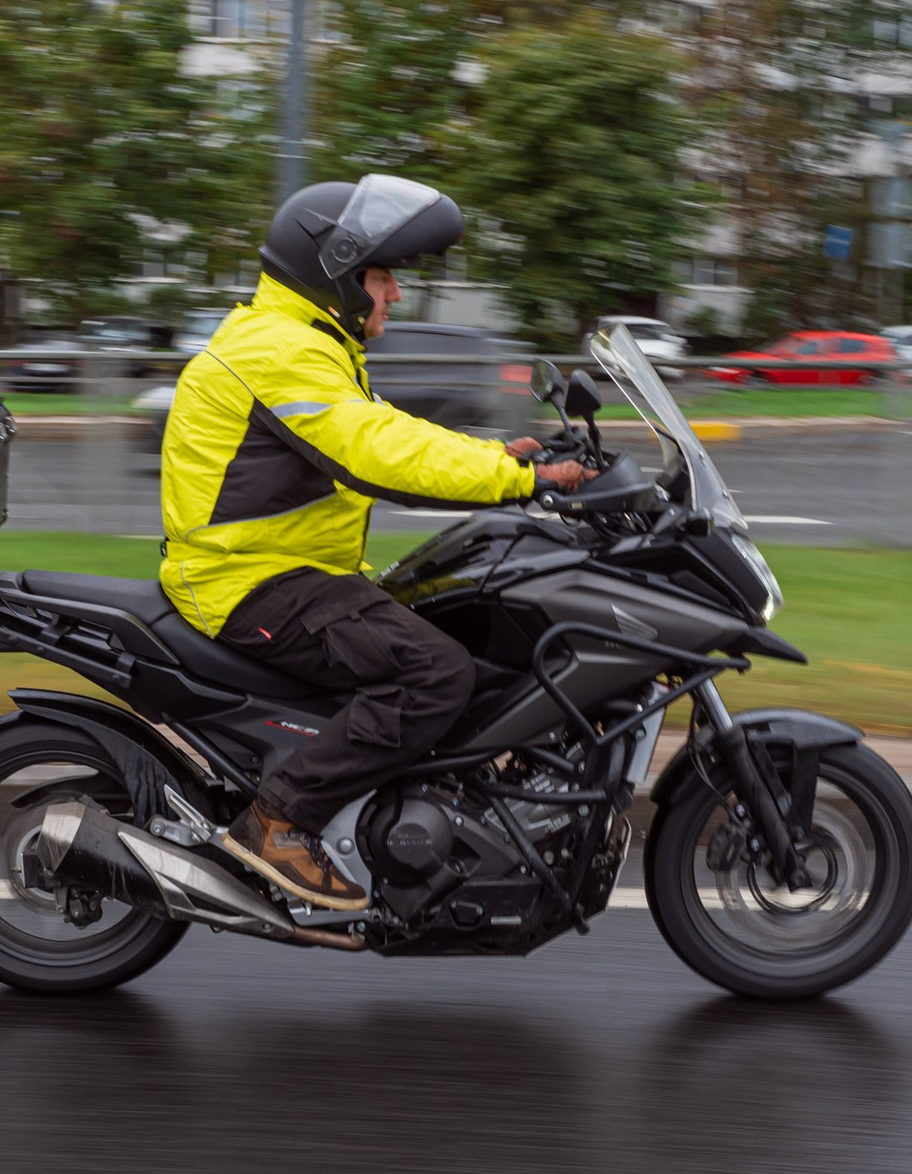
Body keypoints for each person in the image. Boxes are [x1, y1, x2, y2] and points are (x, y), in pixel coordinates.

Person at [157, 176, 592, 911]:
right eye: (383, 276)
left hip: (293, 572)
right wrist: (522, 480)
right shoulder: (280, 349)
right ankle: (279, 818)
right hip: (248, 583)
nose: (393, 294)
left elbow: (388, 434)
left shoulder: (306, 342)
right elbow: (376, 452)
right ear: (337, 271)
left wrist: (501, 458)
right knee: (435, 673)